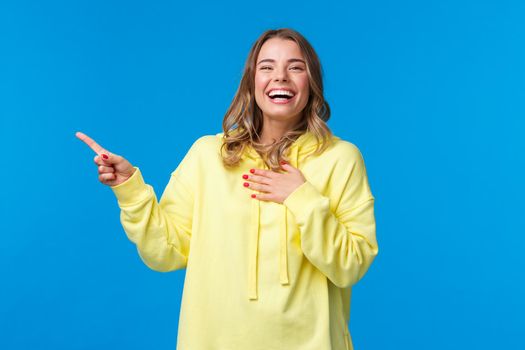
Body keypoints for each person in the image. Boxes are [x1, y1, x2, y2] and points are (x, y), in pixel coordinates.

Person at [76, 28, 378, 350]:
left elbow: (351, 264)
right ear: (252, 81)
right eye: (267, 67)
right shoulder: (208, 155)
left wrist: (301, 197)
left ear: (311, 82)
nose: (281, 77)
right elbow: (164, 252)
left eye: (295, 67)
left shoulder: (340, 159)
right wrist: (130, 189)